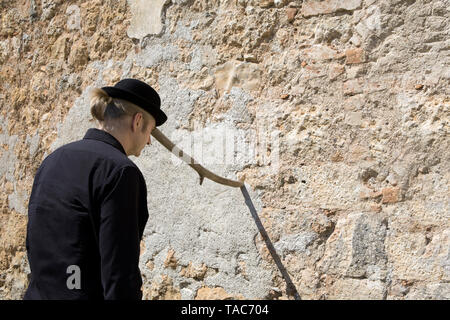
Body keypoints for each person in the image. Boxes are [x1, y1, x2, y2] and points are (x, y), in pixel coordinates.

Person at [24, 78, 167, 300]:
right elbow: (119, 272)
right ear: (137, 121)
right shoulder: (120, 171)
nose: (149, 141)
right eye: (150, 131)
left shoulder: (53, 160)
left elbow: (34, 243)